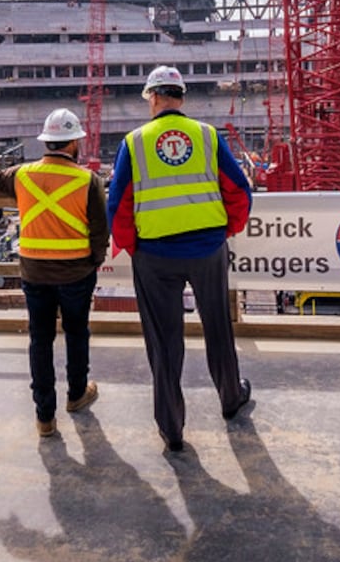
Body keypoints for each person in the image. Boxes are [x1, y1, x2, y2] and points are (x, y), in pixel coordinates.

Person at [107, 65, 253, 452]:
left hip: (155, 255)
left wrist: (130, 245)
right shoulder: (206, 135)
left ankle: (172, 428)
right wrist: (226, 230)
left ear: (153, 97)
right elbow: (239, 189)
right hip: (207, 249)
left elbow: (118, 204)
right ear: (181, 97)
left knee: (164, 341)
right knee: (218, 328)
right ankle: (230, 399)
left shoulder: (134, 142)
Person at [0, 107, 108, 438]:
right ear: (72, 144)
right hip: (76, 274)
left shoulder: (22, 174)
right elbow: (99, 231)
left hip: (35, 273)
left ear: (48, 142)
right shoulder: (89, 180)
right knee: (76, 333)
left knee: (40, 340)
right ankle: (77, 394)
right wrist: (92, 262)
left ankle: (44, 417)